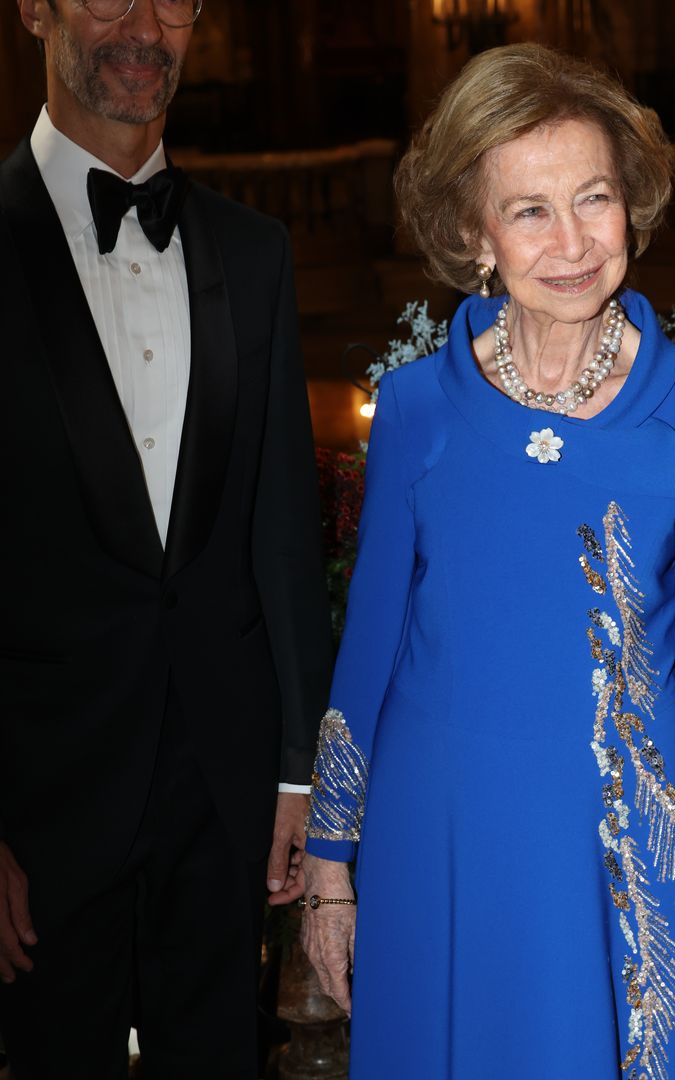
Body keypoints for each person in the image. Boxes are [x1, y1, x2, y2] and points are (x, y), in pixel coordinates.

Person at [299, 42, 675, 1080]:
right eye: (529, 211)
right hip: (444, 836)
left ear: (632, 206)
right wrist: (331, 871)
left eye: (594, 199)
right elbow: (368, 648)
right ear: (474, 236)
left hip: (627, 847)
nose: (571, 242)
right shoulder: (417, 409)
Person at [0, 1, 332, 1075]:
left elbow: (284, 530)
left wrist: (296, 773)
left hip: (225, 792)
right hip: (37, 807)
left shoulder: (257, 250)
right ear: (35, 9)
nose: (143, 24)